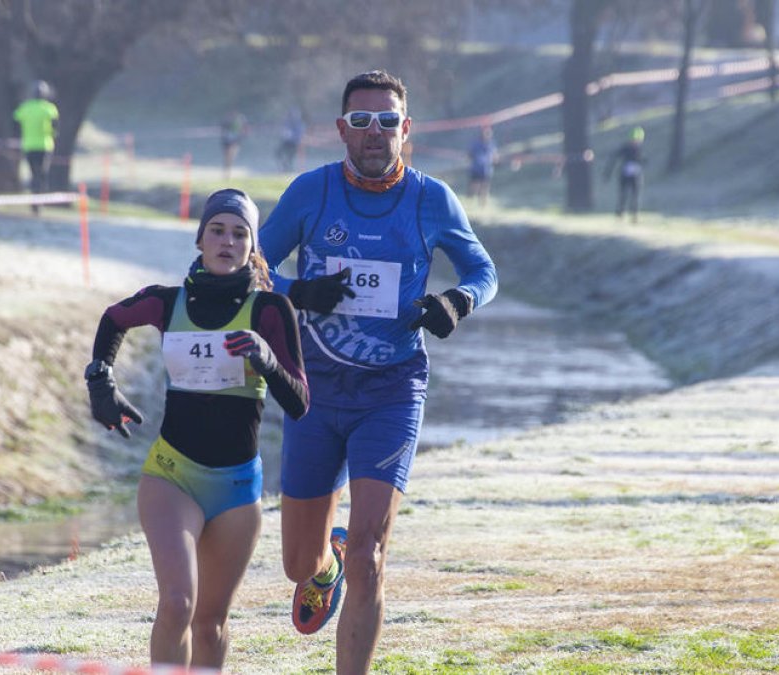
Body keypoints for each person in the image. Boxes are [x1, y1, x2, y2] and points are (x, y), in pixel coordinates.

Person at [258, 69, 497, 673]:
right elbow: (251, 269)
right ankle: (325, 563)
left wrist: (455, 302)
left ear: (406, 129)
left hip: (392, 390)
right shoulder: (310, 193)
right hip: (314, 387)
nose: (375, 133)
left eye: (388, 121)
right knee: (296, 564)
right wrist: (299, 292)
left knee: (372, 553)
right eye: (361, 121)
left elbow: (483, 271)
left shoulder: (431, 198)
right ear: (341, 129)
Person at [84, 189, 309, 669]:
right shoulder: (168, 303)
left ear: (253, 247)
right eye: (218, 230)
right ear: (200, 238)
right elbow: (114, 318)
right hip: (172, 476)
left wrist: (267, 360)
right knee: (177, 604)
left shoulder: (270, 311)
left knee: (210, 624)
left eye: (240, 233)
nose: (227, 240)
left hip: (236, 488)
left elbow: (300, 403)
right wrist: (100, 379)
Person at [13, 80, 59, 215]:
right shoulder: (49, 109)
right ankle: (40, 200)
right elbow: (55, 128)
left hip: (29, 145)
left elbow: (15, 122)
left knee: (34, 174)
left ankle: (35, 200)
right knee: (43, 174)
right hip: (45, 145)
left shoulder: (25, 108)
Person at [603, 125, 646, 223]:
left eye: (638, 141)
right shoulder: (625, 148)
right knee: (623, 195)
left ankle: (634, 215)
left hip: (636, 176)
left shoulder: (640, 150)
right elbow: (613, 158)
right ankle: (619, 215)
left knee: (635, 196)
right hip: (625, 175)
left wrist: (642, 162)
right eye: (634, 140)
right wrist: (607, 174)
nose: (636, 142)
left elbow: (642, 161)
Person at [468, 125, 498, 207]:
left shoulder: (491, 144)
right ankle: (470, 203)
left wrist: (495, 159)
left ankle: (482, 205)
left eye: (489, 132)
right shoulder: (476, 144)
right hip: (476, 169)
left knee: (485, 188)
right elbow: (470, 155)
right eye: (486, 132)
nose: (488, 134)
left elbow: (495, 156)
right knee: (474, 187)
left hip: (487, 170)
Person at [276, 107, 305, 172]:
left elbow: (299, 134)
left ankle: (288, 169)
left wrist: (291, 136)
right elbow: (283, 131)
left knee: (290, 157)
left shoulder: (299, 124)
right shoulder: (287, 122)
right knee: (278, 153)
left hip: (293, 143)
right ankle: (284, 167)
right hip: (286, 142)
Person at [220, 110, 248, 179]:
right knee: (228, 158)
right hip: (228, 141)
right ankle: (227, 173)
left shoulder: (240, 119)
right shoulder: (227, 120)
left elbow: (244, 130)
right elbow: (223, 130)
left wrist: (242, 136)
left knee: (230, 158)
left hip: (234, 141)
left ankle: (227, 173)